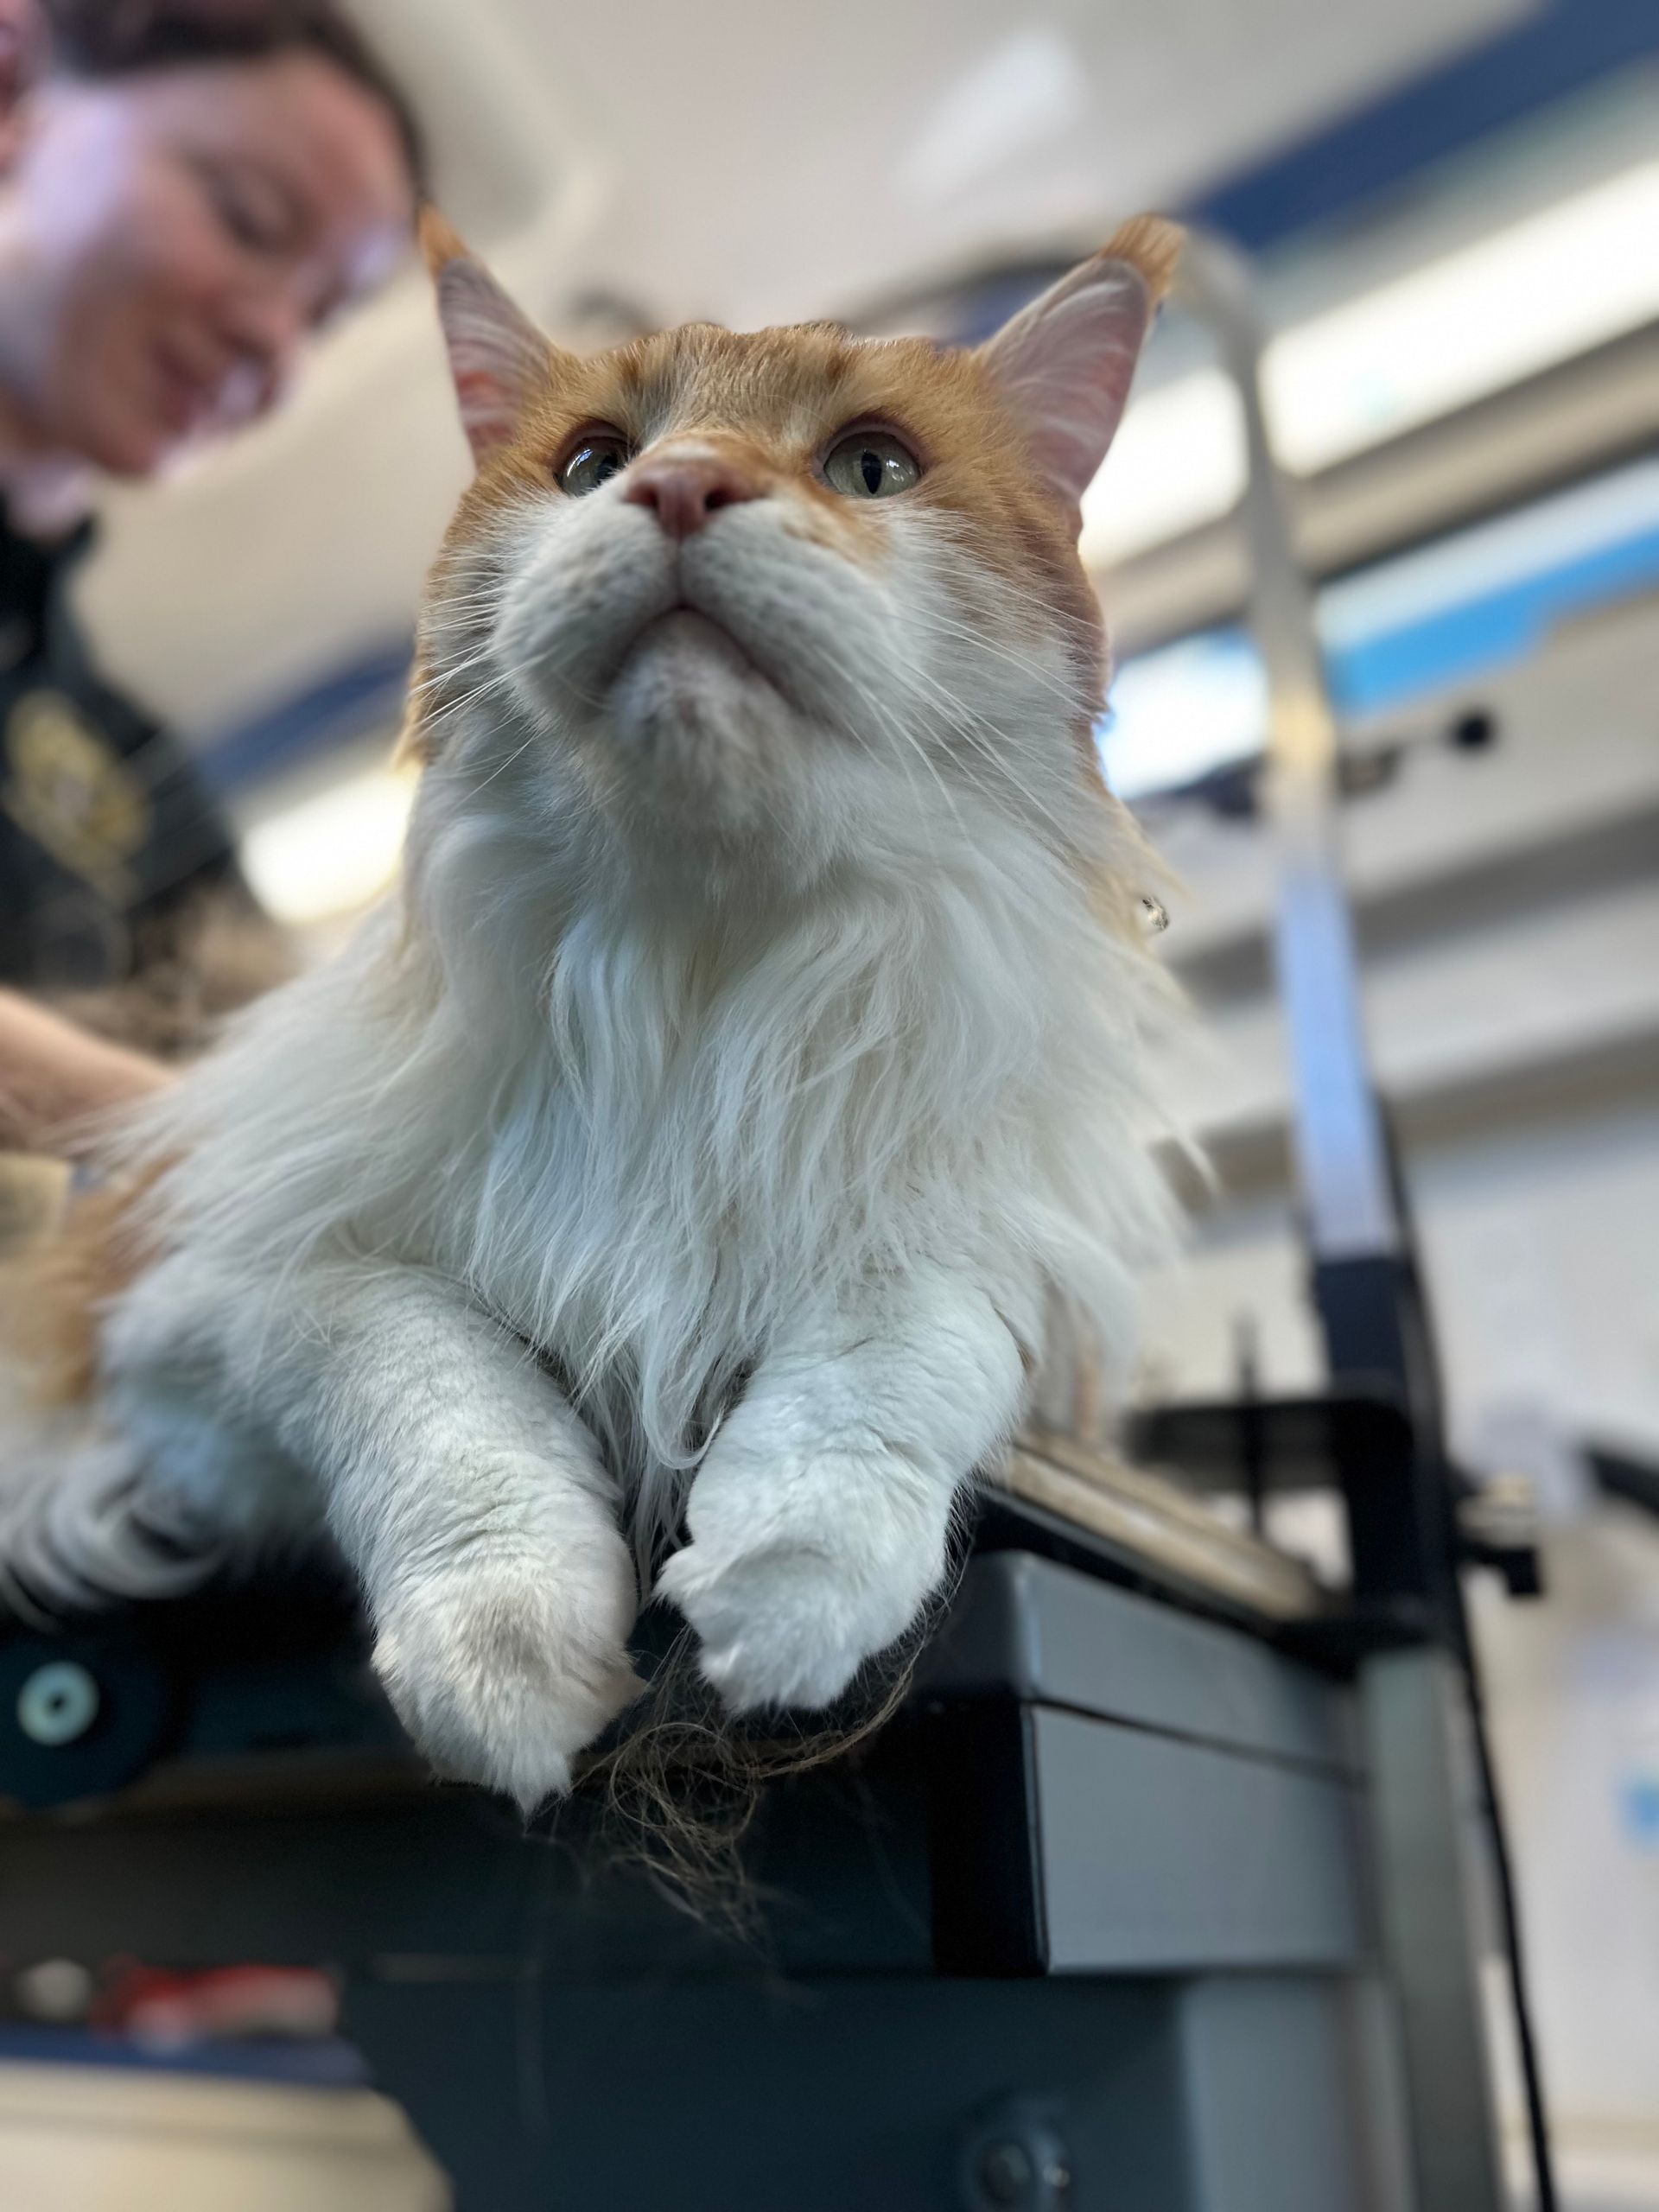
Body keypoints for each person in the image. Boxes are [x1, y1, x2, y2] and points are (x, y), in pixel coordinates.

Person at [0, 0, 422, 1152]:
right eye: (247, 218)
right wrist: (200, 1158)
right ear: (13, 93)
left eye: (319, 317)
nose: (277, 351)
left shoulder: (118, 761)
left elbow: (303, 1074)